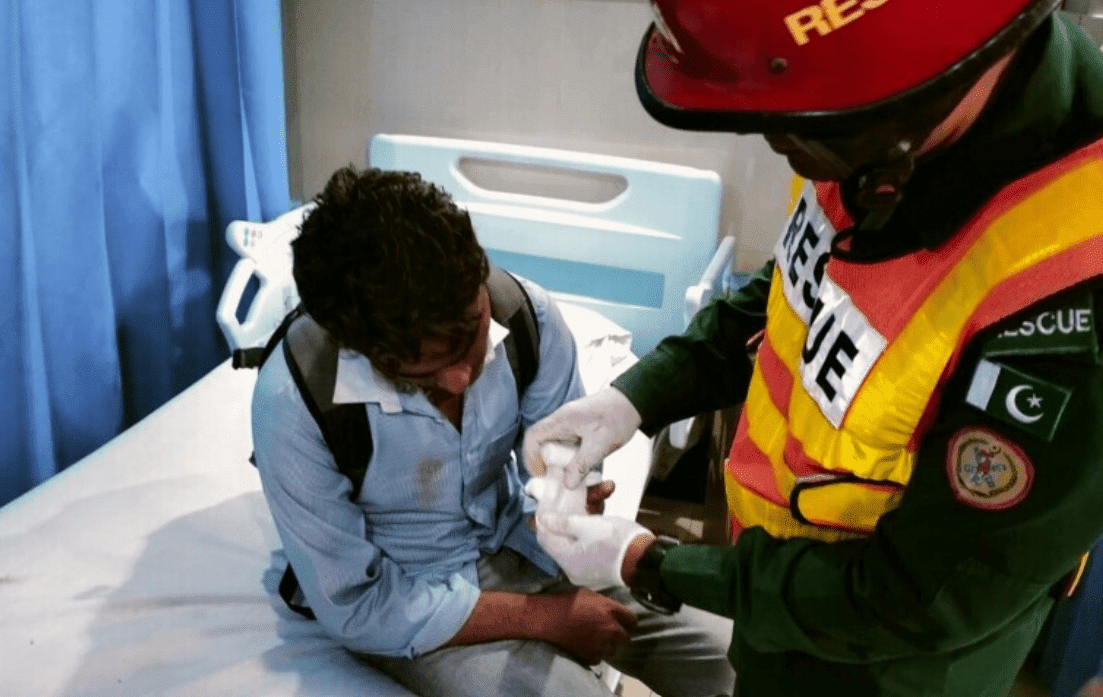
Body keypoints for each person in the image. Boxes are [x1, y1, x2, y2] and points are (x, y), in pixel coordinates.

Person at [523, 1, 1103, 695]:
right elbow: (797, 291)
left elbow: (917, 597)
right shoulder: (866, 121)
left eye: (794, 132)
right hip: (779, 602)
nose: (784, 150)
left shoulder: (1071, 300)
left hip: (889, 667)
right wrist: (636, 396)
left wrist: (650, 561)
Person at [250, 165, 735, 697]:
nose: (461, 378)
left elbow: (557, 467)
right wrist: (545, 618)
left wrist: (567, 508)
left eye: (469, 338)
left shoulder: (528, 318)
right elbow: (358, 606)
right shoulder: (297, 403)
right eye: (424, 373)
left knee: (736, 655)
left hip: (521, 539)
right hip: (411, 595)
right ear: (361, 347)